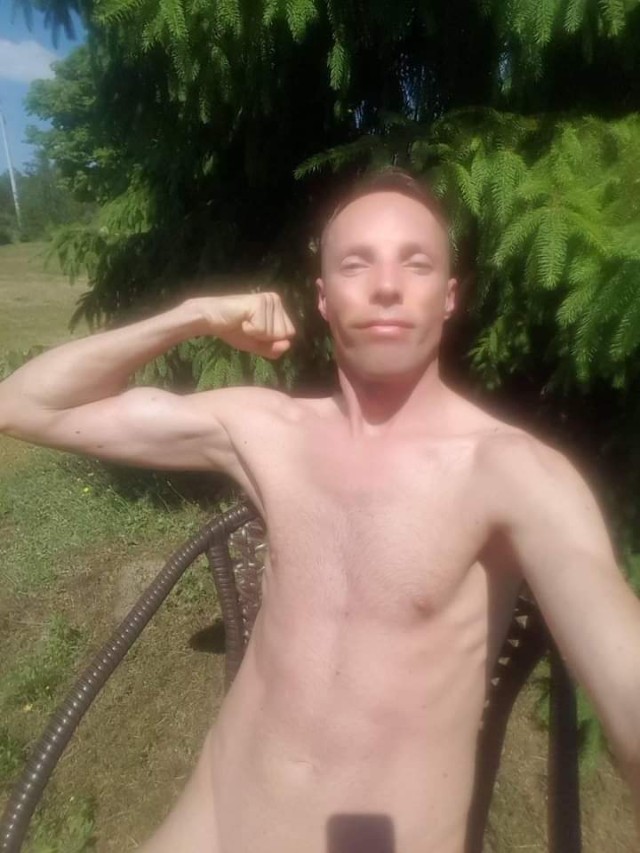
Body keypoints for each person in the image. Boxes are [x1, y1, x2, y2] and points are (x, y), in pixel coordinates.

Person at [1, 168, 639, 853]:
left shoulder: (512, 473)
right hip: (212, 823)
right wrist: (194, 315)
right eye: (357, 263)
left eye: (416, 264)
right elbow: (24, 406)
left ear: (449, 297)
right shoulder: (266, 430)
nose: (387, 285)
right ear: (324, 298)